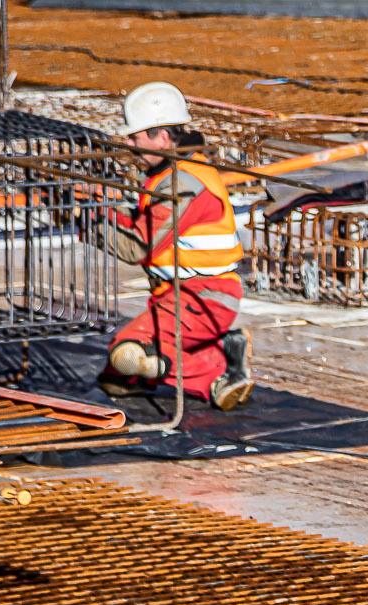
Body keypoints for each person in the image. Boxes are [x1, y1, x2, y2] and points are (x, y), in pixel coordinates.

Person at [96, 81, 254, 412]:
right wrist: (101, 207)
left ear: (163, 138)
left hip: (205, 296)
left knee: (129, 354)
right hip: (178, 295)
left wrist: (86, 223)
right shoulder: (170, 173)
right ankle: (219, 349)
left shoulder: (184, 185)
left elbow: (136, 247)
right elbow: (143, 221)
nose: (129, 143)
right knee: (116, 382)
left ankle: (216, 374)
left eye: (135, 136)